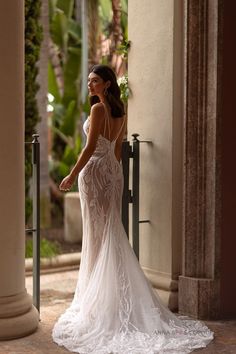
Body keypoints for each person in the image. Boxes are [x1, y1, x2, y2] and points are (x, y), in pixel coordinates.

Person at [52, 64, 214, 353]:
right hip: (112, 173)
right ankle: (106, 299)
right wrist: (115, 173)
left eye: (95, 81)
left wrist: (72, 174)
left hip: (95, 173)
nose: (90, 85)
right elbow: (116, 149)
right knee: (110, 233)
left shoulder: (98, 111)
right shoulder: (120, 110)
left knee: (99, 237)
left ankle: (99, 304)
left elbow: (90, 148)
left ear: (107, 84)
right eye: (89, 80)